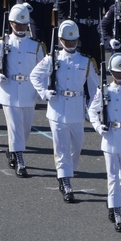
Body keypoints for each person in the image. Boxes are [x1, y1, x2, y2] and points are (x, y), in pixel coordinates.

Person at [30, 20, 99, 202]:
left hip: (77, 107)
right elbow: (35, 75)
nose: (70, 44)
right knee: (61, 147)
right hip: (57, 107)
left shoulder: (86, 61)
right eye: (67, 41)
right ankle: (65, 181)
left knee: (77, 146)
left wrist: (92, 110)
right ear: (60, 40)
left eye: (73, 41)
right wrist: (45, 92)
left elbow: (95, 89)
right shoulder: (52, 59)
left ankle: (68, 171)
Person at [0, 3, 45, 176]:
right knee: (14, 126)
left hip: (28, 90)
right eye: (17, 24)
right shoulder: (1, 43)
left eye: (23, 24)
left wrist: (43, 88)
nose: (20, 27)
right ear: (11, 23)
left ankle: (14, 150)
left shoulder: (36, 45)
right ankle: (20, 159)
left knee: (25, 128)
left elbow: (43, 69)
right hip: (9, 89)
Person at [88, 53, 121, 232]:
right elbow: (92, 111)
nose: (120, 75)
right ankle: (117, 210)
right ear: (111, 72)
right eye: (117, 73)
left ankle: (115, 201)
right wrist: (98, 126)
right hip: (110, 137)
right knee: (112, 177)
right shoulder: (103, 91)